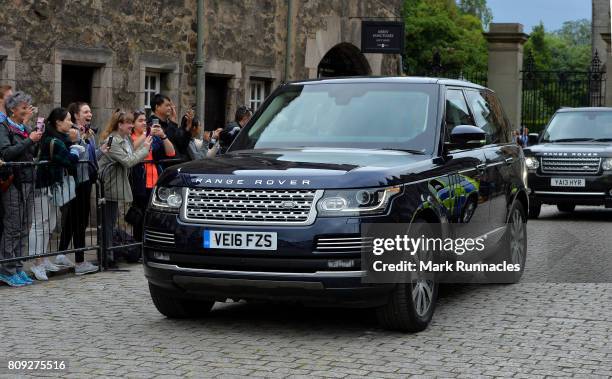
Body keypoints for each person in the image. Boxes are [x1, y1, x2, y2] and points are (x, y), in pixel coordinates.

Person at [28, 108, 95, 280]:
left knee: (49, 223)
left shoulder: (59, 138)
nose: (71, 123)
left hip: (53, 186)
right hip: (44, 186)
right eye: (67, 120)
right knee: (40, 224)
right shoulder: (53, 140)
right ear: (58, 122)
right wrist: (74, 149)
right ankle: (37, 263)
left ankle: (42, 259)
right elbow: (69, 161)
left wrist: (74, 142)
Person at [98, 110, 151, 267]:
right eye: (128, 123)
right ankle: (107, 256)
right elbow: (128, 161)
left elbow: (130, 156)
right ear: (119, 125)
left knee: (112, 221)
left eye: (131, 122)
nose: (131, 125)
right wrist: (145, 149)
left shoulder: (126, 139)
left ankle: (111, 253)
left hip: (119, 184)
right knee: (107, 222)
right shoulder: (112, 140)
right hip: (110, 185)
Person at [0, 91, 42, 287]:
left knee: (25, 227)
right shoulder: (4, 128)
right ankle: (7, 270)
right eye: (23, 107)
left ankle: (18, 267)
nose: (27, 110)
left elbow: (30, 152)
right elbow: (6, 153)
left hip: (28, 181)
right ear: (13, 110)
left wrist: (35, 139)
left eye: (27, 107)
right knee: (12, 228)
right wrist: (29, 140)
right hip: (13, 183)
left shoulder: (24, 128)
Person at [56, 102, 102, 269]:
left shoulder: (89, 133)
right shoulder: (73, 132)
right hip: (76, 180)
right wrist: (82, 139)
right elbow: (75, 153)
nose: (89, 114)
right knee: (79, 221)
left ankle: (61, 254)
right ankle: (80, 261)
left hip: (87, 179)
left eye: (90, 111)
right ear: (76, 115)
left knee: (73, 220)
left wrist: (102, 150)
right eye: (85, 111)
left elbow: (91, 157)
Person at [130, 109, 175, 241]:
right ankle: (138, 244)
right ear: (133, 124)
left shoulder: (153, 136)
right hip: (139, 181)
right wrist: (146, 134)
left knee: (154, 215)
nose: (144, 123)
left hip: (154, 179)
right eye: (140, 120)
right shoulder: (131, 137)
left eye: (145, 120)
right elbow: (131, 148)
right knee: (140, 214)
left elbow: (171, 152)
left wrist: (163, 136)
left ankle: (151, 241)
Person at [148, 94, 190, 161]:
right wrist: (172, 122)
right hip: (164, 166)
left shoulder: (169, 124)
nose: (170, 108)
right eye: (167, 105)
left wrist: (187, 129)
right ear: (157, 107)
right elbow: (167, 143)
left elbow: (181, 146)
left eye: (170, 106)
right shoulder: (152, 125)